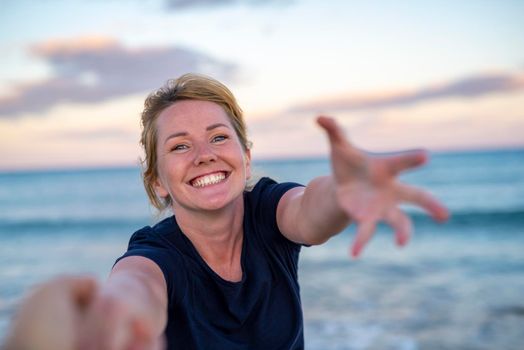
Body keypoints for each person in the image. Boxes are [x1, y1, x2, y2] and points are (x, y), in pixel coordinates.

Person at [2, 73, 448, 350]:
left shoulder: (268, 211)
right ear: (158, 181)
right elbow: (135, 290)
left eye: (218, 137)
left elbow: (310, 211)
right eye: (179, 146)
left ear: (246, 158)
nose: (203, 155)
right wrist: (105, 319)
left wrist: (342, 194)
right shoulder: (156, 258)